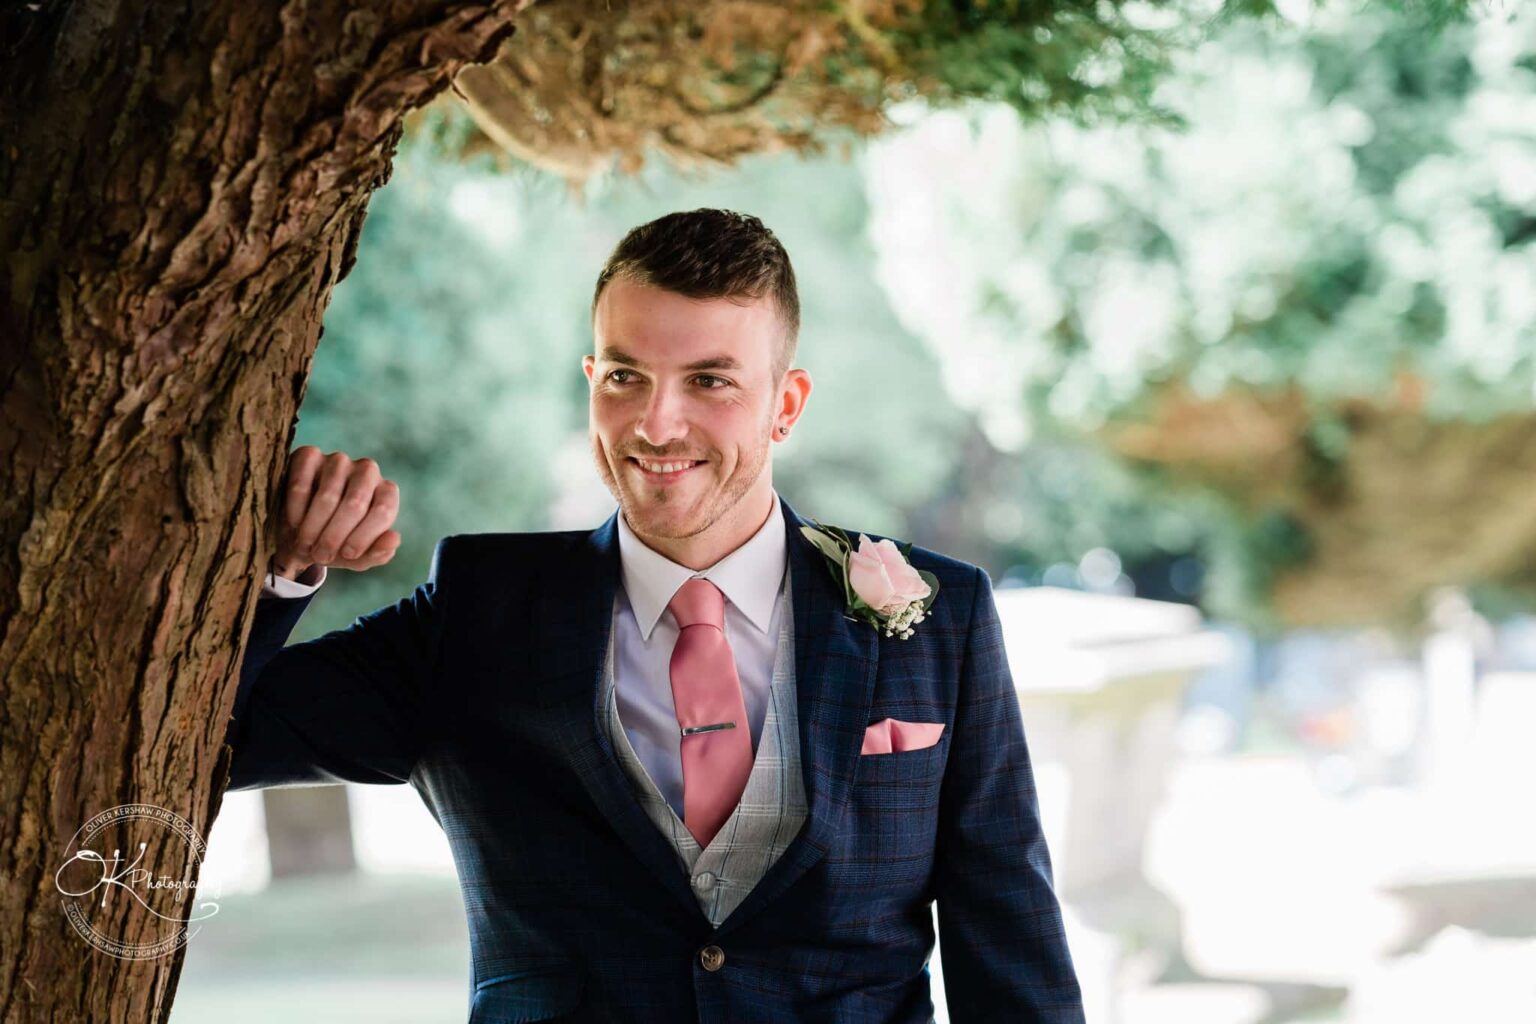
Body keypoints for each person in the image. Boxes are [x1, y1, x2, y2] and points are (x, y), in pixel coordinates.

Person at [227, 208, 1085, 1022]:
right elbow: (218, 743)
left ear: (785, 404)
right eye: (626, 376)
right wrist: (282, 571)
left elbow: (1008, 941)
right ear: (591, 381)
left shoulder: (942, 617)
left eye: (709, 380)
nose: (656, 422)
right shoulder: (479, 612)